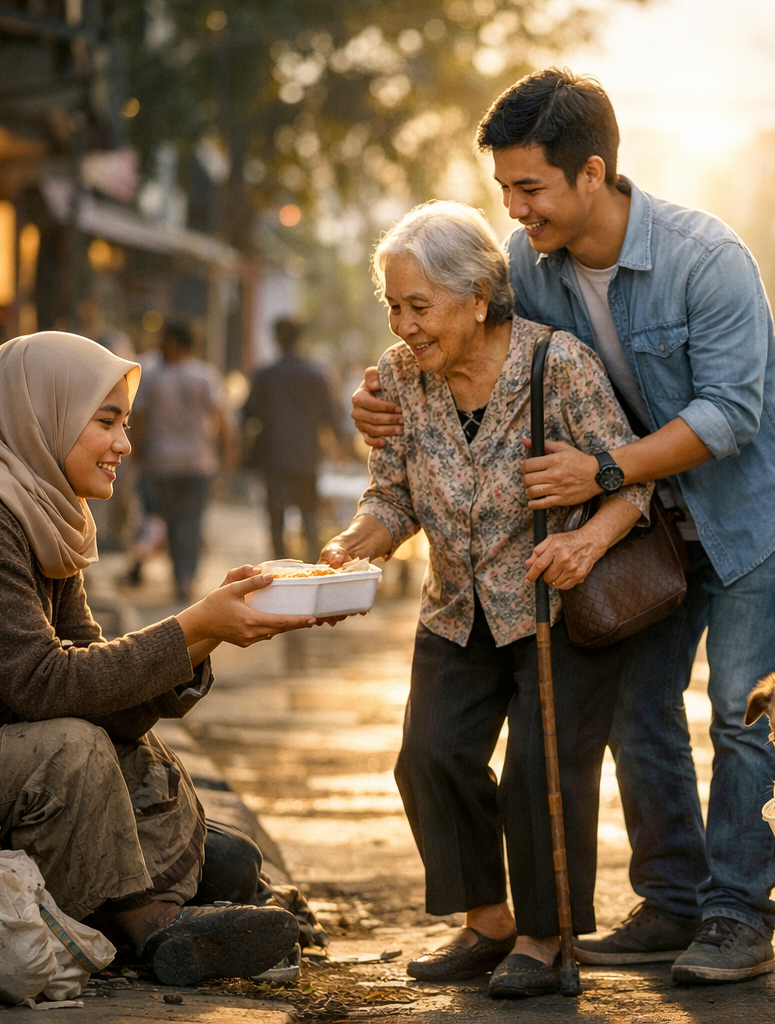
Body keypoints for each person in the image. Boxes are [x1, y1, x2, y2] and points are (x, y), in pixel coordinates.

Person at [351, 69, 775, 985]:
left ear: (593, 173)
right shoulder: (525, 268)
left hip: (752, 515)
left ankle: (737, 916)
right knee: (636, 714)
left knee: (743, 715)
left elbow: (730, 414)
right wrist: (376, 395)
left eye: (529, 187)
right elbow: (469, 347)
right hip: (646, 527)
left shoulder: (706, 256)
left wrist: (606, 472)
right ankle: (672, 902)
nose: (514, 208)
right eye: (504, 189)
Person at [0, 332, 330, 985]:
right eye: (106, 422)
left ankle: (182, 895)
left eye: (126, 424)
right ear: (43, 415)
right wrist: (195, 623)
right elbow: (44, 685)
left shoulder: (41, 511)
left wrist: (212, 632)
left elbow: (98, 681)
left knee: (188, 811)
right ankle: (155, 927)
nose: (125, 444)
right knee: (73, 750)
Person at [320, 201, 652, 998]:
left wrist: (585, 542)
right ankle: (490, 922)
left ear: (477, 297)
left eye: (419, 306)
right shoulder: (401, 377)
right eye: (394, 307)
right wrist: (353, 544)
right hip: (454, 607)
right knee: (428, 756)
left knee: (540, 773)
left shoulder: (557, 366)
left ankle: (544, 936)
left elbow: (632, 481)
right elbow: (392, 495)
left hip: (552, 607)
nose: (405, 325)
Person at [131, 321, 229, 602]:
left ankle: (180, 578)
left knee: (170, 523)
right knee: (190, 522)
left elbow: (140, 419)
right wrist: (225, 454)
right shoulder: (206, 375)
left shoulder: (151, 376)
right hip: (198, 463)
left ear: (175, 342)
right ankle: (185, 578)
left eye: (163, 339)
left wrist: (135, 453)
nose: (158, 345)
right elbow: (220, 420)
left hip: (162, 463)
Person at [242, 318, 340, 560]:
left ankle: (279, 566)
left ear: (276, 339)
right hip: (307, 457)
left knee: (276, 517)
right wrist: (339, 447)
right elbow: (330, 417)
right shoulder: (315, 375)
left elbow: (247, 414)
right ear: (300, 339)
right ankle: (311, 564)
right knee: (309, 515)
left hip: (273, 456)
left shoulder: (264, 376)